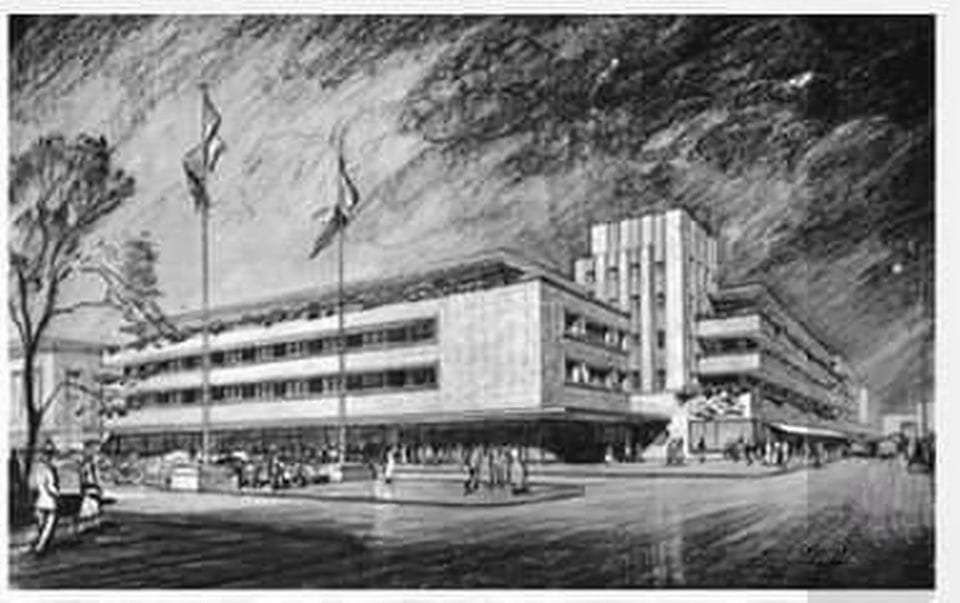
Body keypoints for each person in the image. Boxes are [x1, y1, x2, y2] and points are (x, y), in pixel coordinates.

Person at [33, 440, 61, 556]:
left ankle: (39, 546)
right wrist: (57, 494)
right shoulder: (49, 469)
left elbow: (36, 486)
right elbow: (50, 487)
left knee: (41, 527)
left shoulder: (37, 469)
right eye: (50, 454)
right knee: (47, 528)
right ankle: (40, 548)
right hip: (49, 503)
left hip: (39, 502)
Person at [78, 446, 103, 532]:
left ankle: (92, 524)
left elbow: (85, 477)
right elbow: (93, 477)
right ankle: (91, 524)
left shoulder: (88, 465)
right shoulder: (89, 465)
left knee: (90, 507)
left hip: (90, 488)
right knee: (90, 507)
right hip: (91, 488)